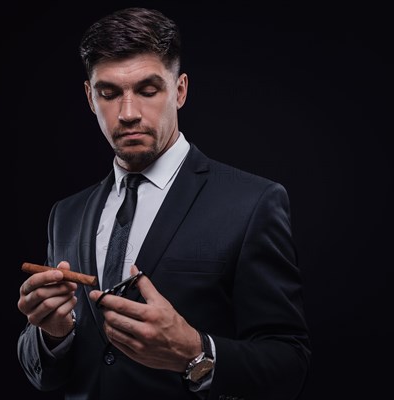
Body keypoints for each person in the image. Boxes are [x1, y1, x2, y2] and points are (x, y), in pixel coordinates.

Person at [17, 7, 311, 400]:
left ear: (180, 90)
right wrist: (52, 335)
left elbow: (289, 364)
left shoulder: (253, 202)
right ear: (90, 97)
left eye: (148, 90)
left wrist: (195, 352)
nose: (128, 114)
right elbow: (48, 375)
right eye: (109, 93)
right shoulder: (65, 215)